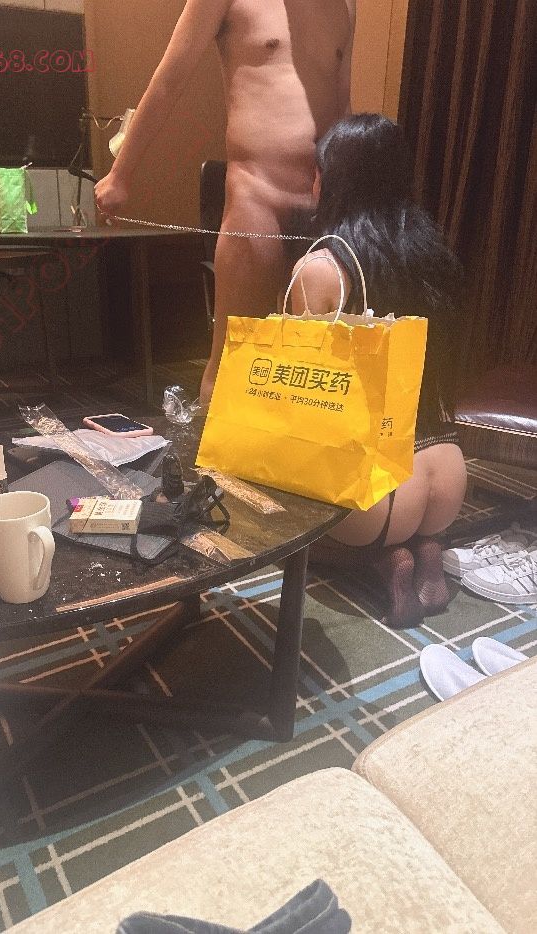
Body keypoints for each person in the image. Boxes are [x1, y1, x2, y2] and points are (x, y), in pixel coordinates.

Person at [94, 0, 356, 403]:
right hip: (258, 195)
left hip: (325, 207)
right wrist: (120, 174)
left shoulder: (345, 4)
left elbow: (343, 103)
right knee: (234, 360)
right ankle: (214, 444)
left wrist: (354, 198)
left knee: (316, 365)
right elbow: (169, 79)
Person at [290, 113, 467, 628]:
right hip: (446, 470)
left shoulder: (322, 267)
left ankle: (380, 560)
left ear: (334, 179)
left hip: (379, 493)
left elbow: (307, 396)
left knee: (288, 528)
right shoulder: (431, 255)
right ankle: (426, 546)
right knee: (407, 521)